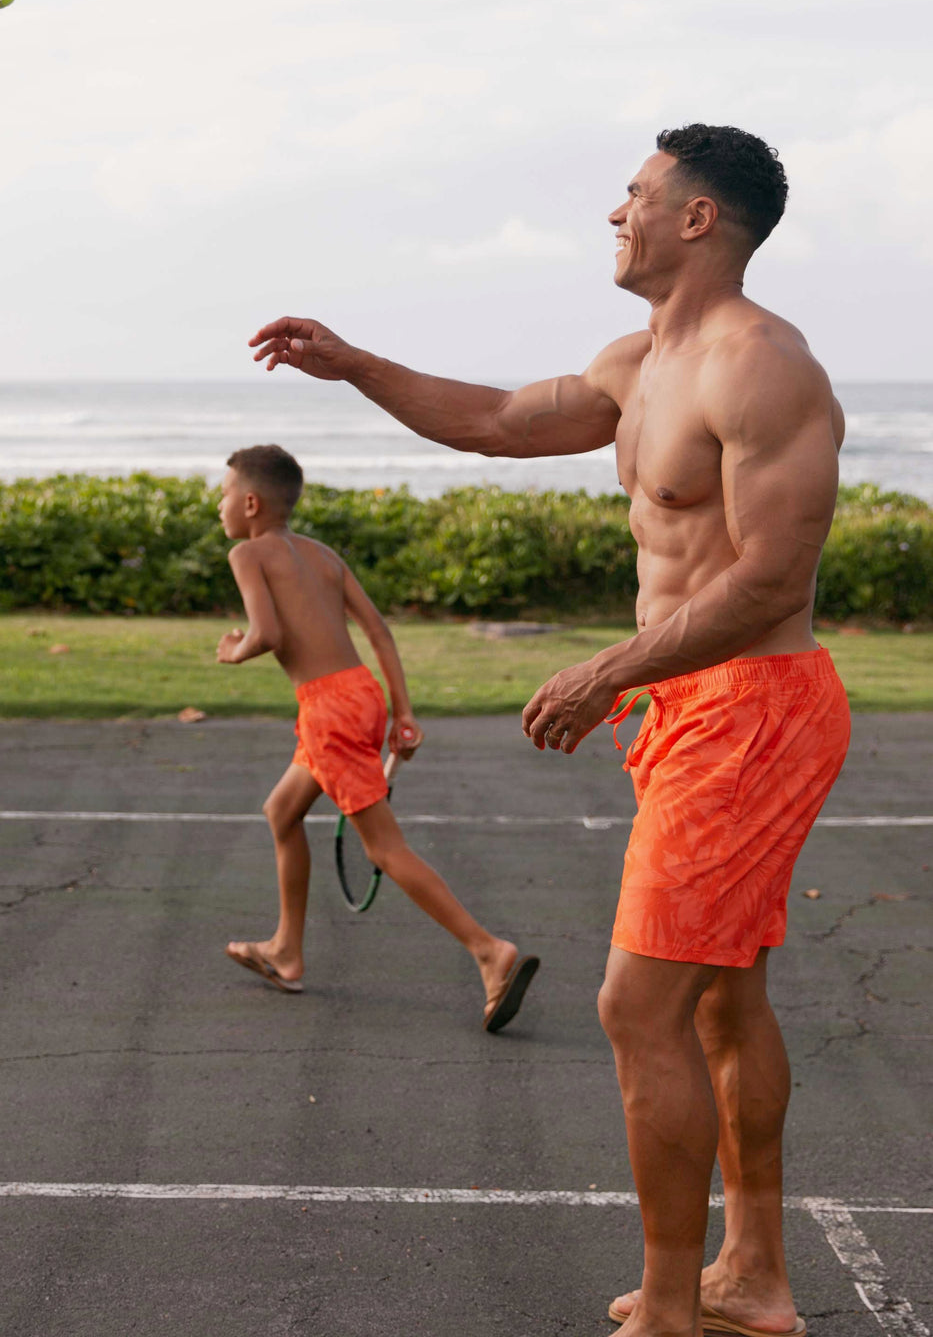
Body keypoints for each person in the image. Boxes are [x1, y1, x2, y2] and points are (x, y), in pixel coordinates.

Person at [247, 123, 850, 1337]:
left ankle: (674, 1308)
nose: (613, 214)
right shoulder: (641, 363)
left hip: (749, 711)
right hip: (693, 706)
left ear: (696, 219)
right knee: (723, 1002)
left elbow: (774, 580)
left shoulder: (761, 365)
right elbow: (496, 418)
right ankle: (751, 1276)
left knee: (640, 1009)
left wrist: (603, 671)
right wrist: (357, 363)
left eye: (634, 196)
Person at [216, 443, 539, 1032]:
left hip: (328, 710)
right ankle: (286, 951)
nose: (221, 504)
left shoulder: (248, 554)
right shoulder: (322, 555)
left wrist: (233, 651)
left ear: (252, 502)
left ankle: (490, 952)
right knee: (282, 811)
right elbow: (379, 631)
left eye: (225, 493)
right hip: (360, 694)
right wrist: (403, 712)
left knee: (384, 849)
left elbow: (265, 632)